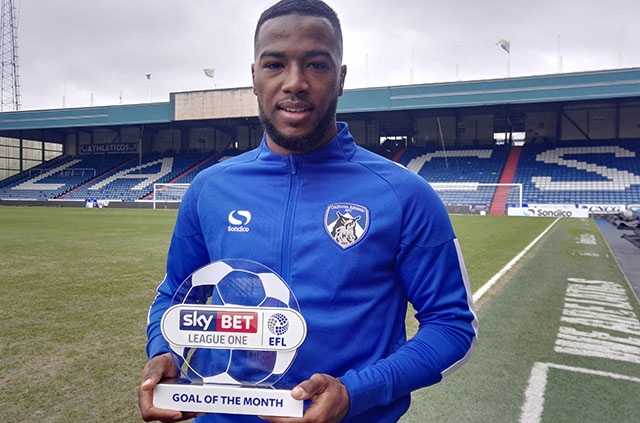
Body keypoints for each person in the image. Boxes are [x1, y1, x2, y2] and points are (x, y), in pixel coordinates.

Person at [138, 0, 478, 422]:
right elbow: (175, 293)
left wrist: (355, 392)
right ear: (255, 78)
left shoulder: (404, 194)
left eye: (316, 65)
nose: (294, 82)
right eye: (275, 64)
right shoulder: (210, 188)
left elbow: (451, 326)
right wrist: (163, 351)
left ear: (341, 79)